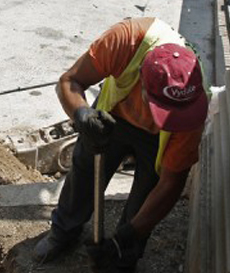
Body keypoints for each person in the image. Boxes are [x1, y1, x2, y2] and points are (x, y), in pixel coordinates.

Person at [33, 17, 208, 272]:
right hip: (113, 117)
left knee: (146, 198)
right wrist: (82, 117)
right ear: (143, 84)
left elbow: (171, 183)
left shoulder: (190, 111)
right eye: (162, 111)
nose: (165, 119)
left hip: (157, 142)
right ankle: (64, 232)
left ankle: (121, 256)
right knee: (84, 170)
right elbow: (69, 81)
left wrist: (128, 235)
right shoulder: (126, 41)